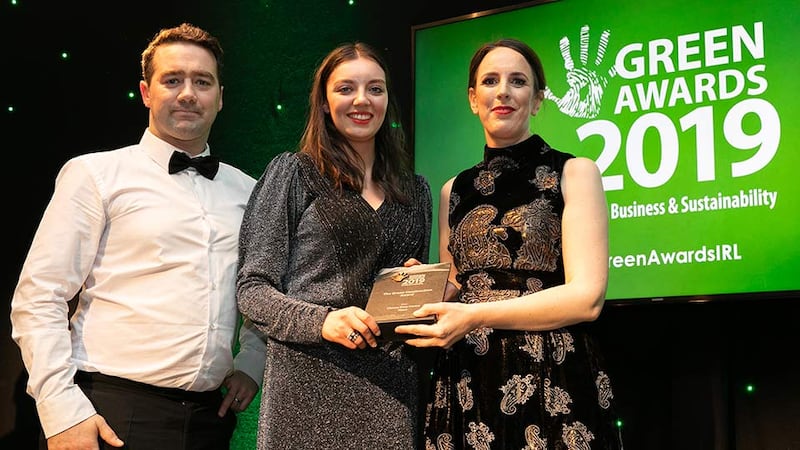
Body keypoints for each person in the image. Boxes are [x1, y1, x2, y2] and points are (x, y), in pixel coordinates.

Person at [10, 23, 266, 450]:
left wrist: (252, 361)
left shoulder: (250, 191)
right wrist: (61, 412)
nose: (188, 93)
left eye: (202, 82)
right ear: (147, 93)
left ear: (220, 97)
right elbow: (39, 298)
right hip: (108, 412)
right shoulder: (94, 175)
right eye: (172, 80)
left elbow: (260, 288)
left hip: (209, 420)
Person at [396, 38, 623, 449]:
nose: (503, 91)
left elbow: (587, 298)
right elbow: (457, 287)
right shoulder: (454, 189)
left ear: (537, 100)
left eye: (518, 81)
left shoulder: (576, 172)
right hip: (467, 376)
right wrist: (422, 288)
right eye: (490, 81)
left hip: (550, 369)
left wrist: (473, 316)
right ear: (473, 98)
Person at [236, 42, 432, 449]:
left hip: (392, 388)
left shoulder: (417, 191)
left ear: (386, 100)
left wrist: (419, 283)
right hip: (306, 385)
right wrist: (322, 321)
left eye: (375, 89)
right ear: (324, 102)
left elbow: (407, 295)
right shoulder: (293, 173)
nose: (361, 100)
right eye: (346, 89)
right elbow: (252, 290)